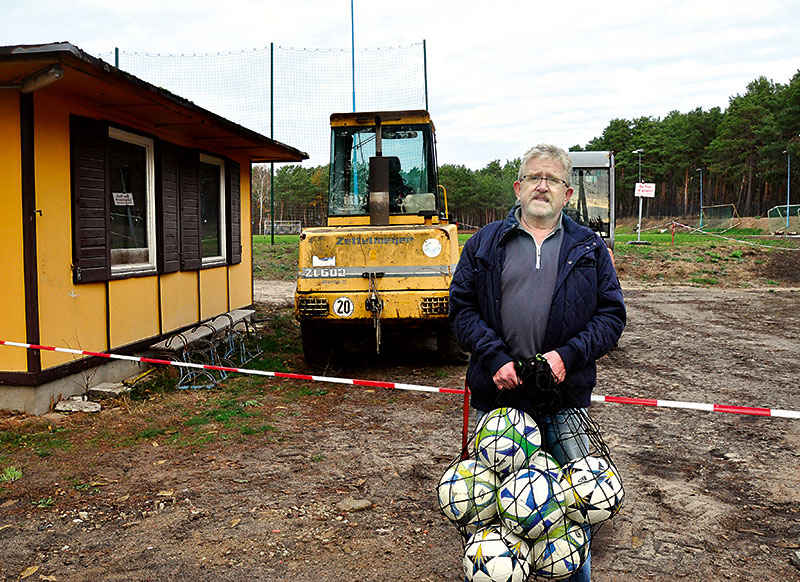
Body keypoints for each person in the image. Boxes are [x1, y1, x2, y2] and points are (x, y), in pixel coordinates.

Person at [448, 144, 626, 582]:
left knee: (572, 515)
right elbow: (461, 308)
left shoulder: (589, 249)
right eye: (533, 177)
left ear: (567, 193)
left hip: (564, 402)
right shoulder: (485, 243)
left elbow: (611, 316)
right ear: (518, 187)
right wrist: (492, 357)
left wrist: (568, 357)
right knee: (491, 517)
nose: (541, 185)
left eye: (552, 179)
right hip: (500, 404)